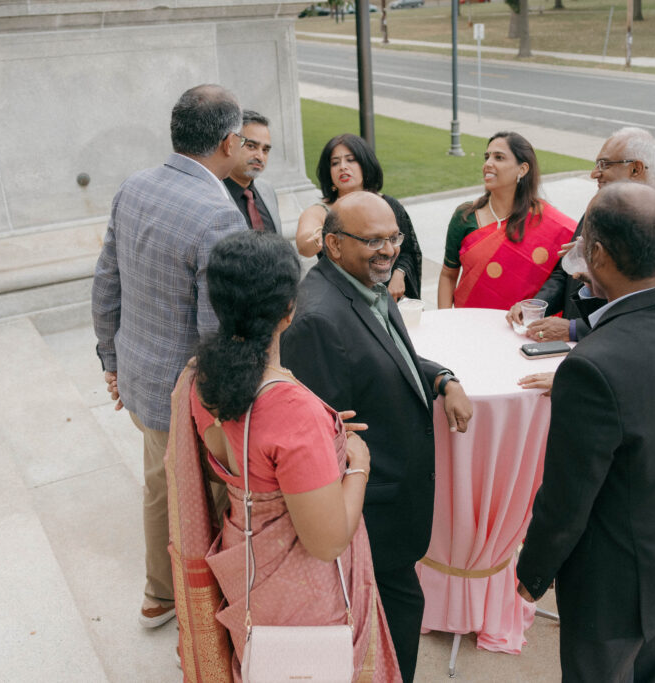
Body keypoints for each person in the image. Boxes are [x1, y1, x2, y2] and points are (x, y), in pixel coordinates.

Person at [166, 231, 400, 680]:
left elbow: (232, 469)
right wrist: (357, 463)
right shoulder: (290, 409)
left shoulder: (199, 378)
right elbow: (328, 540)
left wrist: (316, 447)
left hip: (247, 571)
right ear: (288, 309)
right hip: (303, 597)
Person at [515, 182, 655, 683]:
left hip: (615, 585)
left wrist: (533, 573)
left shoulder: (591, 368)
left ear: (599, 255)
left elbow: (567, 497)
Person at [281, 191, 474, 683]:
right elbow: (324, 447)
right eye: (374, 240)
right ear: (332, 244)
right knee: (391, 627)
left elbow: (391, 361)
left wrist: (442, 378)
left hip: (391, 514)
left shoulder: (364, 285)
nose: (389, 250)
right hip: (372, 521)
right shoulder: (318, 320)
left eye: (394, 238)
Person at [91, 83, 248, 628]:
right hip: (186, 398)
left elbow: (105, 279)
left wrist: (110, 361)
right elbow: (216, 331)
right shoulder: (217, 213)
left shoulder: (134, 186)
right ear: (228, 142)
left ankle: (159, 595)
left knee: (159, 486)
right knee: (203, 498)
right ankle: (198, 603)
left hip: (138, 378)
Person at [508, 126, 655, 343]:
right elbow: (564, 273)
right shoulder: (595, 211)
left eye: (604, 164)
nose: (594, 174)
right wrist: (536, 305)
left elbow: (646, 314)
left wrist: (574, 329)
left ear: (636, 169)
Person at [437, 131, 576, 310]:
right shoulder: (465, 216)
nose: (488, 164)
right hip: (469, 323)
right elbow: (448, 275)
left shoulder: (548, 222)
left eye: (499, 157)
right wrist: (445, 322)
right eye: (487, 157)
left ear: (523, 169)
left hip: (521, 329)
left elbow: (566, 279)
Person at [295, 134, 423, 301]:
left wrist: (399, 275)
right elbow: (304, 245)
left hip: (390, 296)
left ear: (365, 165)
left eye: (351, 160)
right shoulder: (321, 212)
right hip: (342, 298)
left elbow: (408, 250)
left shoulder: (387, 205)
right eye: (335, 163)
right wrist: (318, 236)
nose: (343, 167)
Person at [222, 109, 282, 232]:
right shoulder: (215, 194)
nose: (260, 156)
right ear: (231, 144)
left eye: (265, 150)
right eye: (251, 146)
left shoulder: (267, 190)